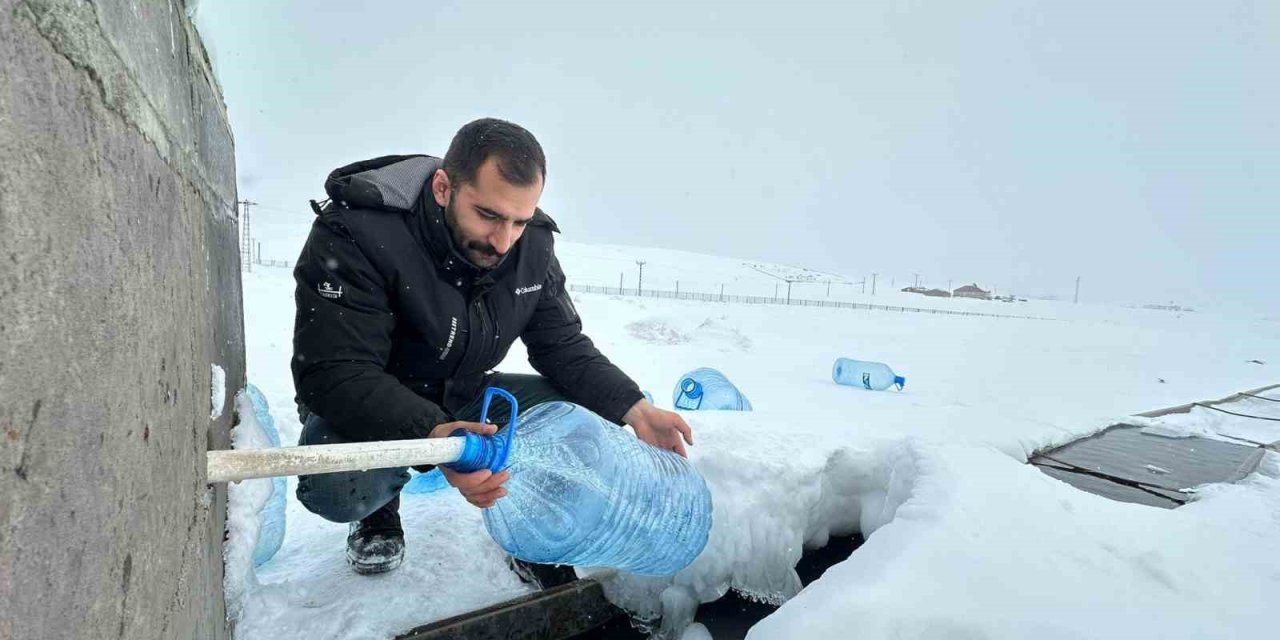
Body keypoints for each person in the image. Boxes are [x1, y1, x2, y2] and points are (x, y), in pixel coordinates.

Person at [290, 118, 694, 581]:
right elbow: (335, 371)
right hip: (375, 401)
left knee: (583, 417)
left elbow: (560, 344)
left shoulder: (532, 244)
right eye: (488, 215)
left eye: (520, 220)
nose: (504, 241)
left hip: (466, 391)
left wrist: (636, 409)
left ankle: (536, 533)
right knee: (337, 486)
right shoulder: (357, 231)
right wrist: (438, 440)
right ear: (443, 188)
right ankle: (379, 510)